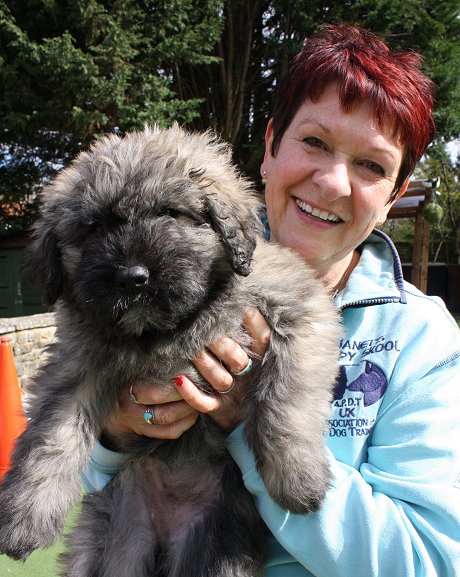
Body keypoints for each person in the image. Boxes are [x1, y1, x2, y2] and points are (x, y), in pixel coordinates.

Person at [82, 24, 460, 577]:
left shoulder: (421, 339)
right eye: (314, 142)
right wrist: (117, 428)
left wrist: (249, 422)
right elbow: (91, 483)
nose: (331, 182)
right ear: (269, 148)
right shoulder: (174, 272)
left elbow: (429, 560)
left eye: (372, 165)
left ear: (394, 196)